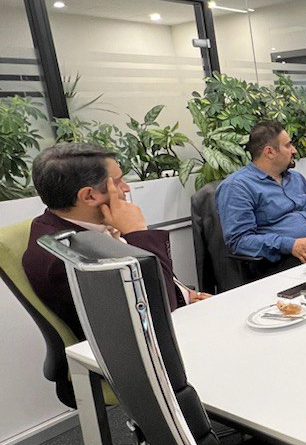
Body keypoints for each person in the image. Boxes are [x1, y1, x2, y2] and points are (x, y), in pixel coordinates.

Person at [22, 143, 205, 339]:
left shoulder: (83, 224)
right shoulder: (68, 256)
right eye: (117, 182)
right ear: (89, 196)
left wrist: (185, 295)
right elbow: (157, 310)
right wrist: (138, 233)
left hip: (176, 317)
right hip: (134, 344)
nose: (126, 188)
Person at [216, 119, 306, 268]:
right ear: (270, 152)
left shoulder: (296, 179)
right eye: (288, 145)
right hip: (281, 261)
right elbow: (240, 241)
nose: (294, 150)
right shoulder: (238, 186)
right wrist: (290, 245)